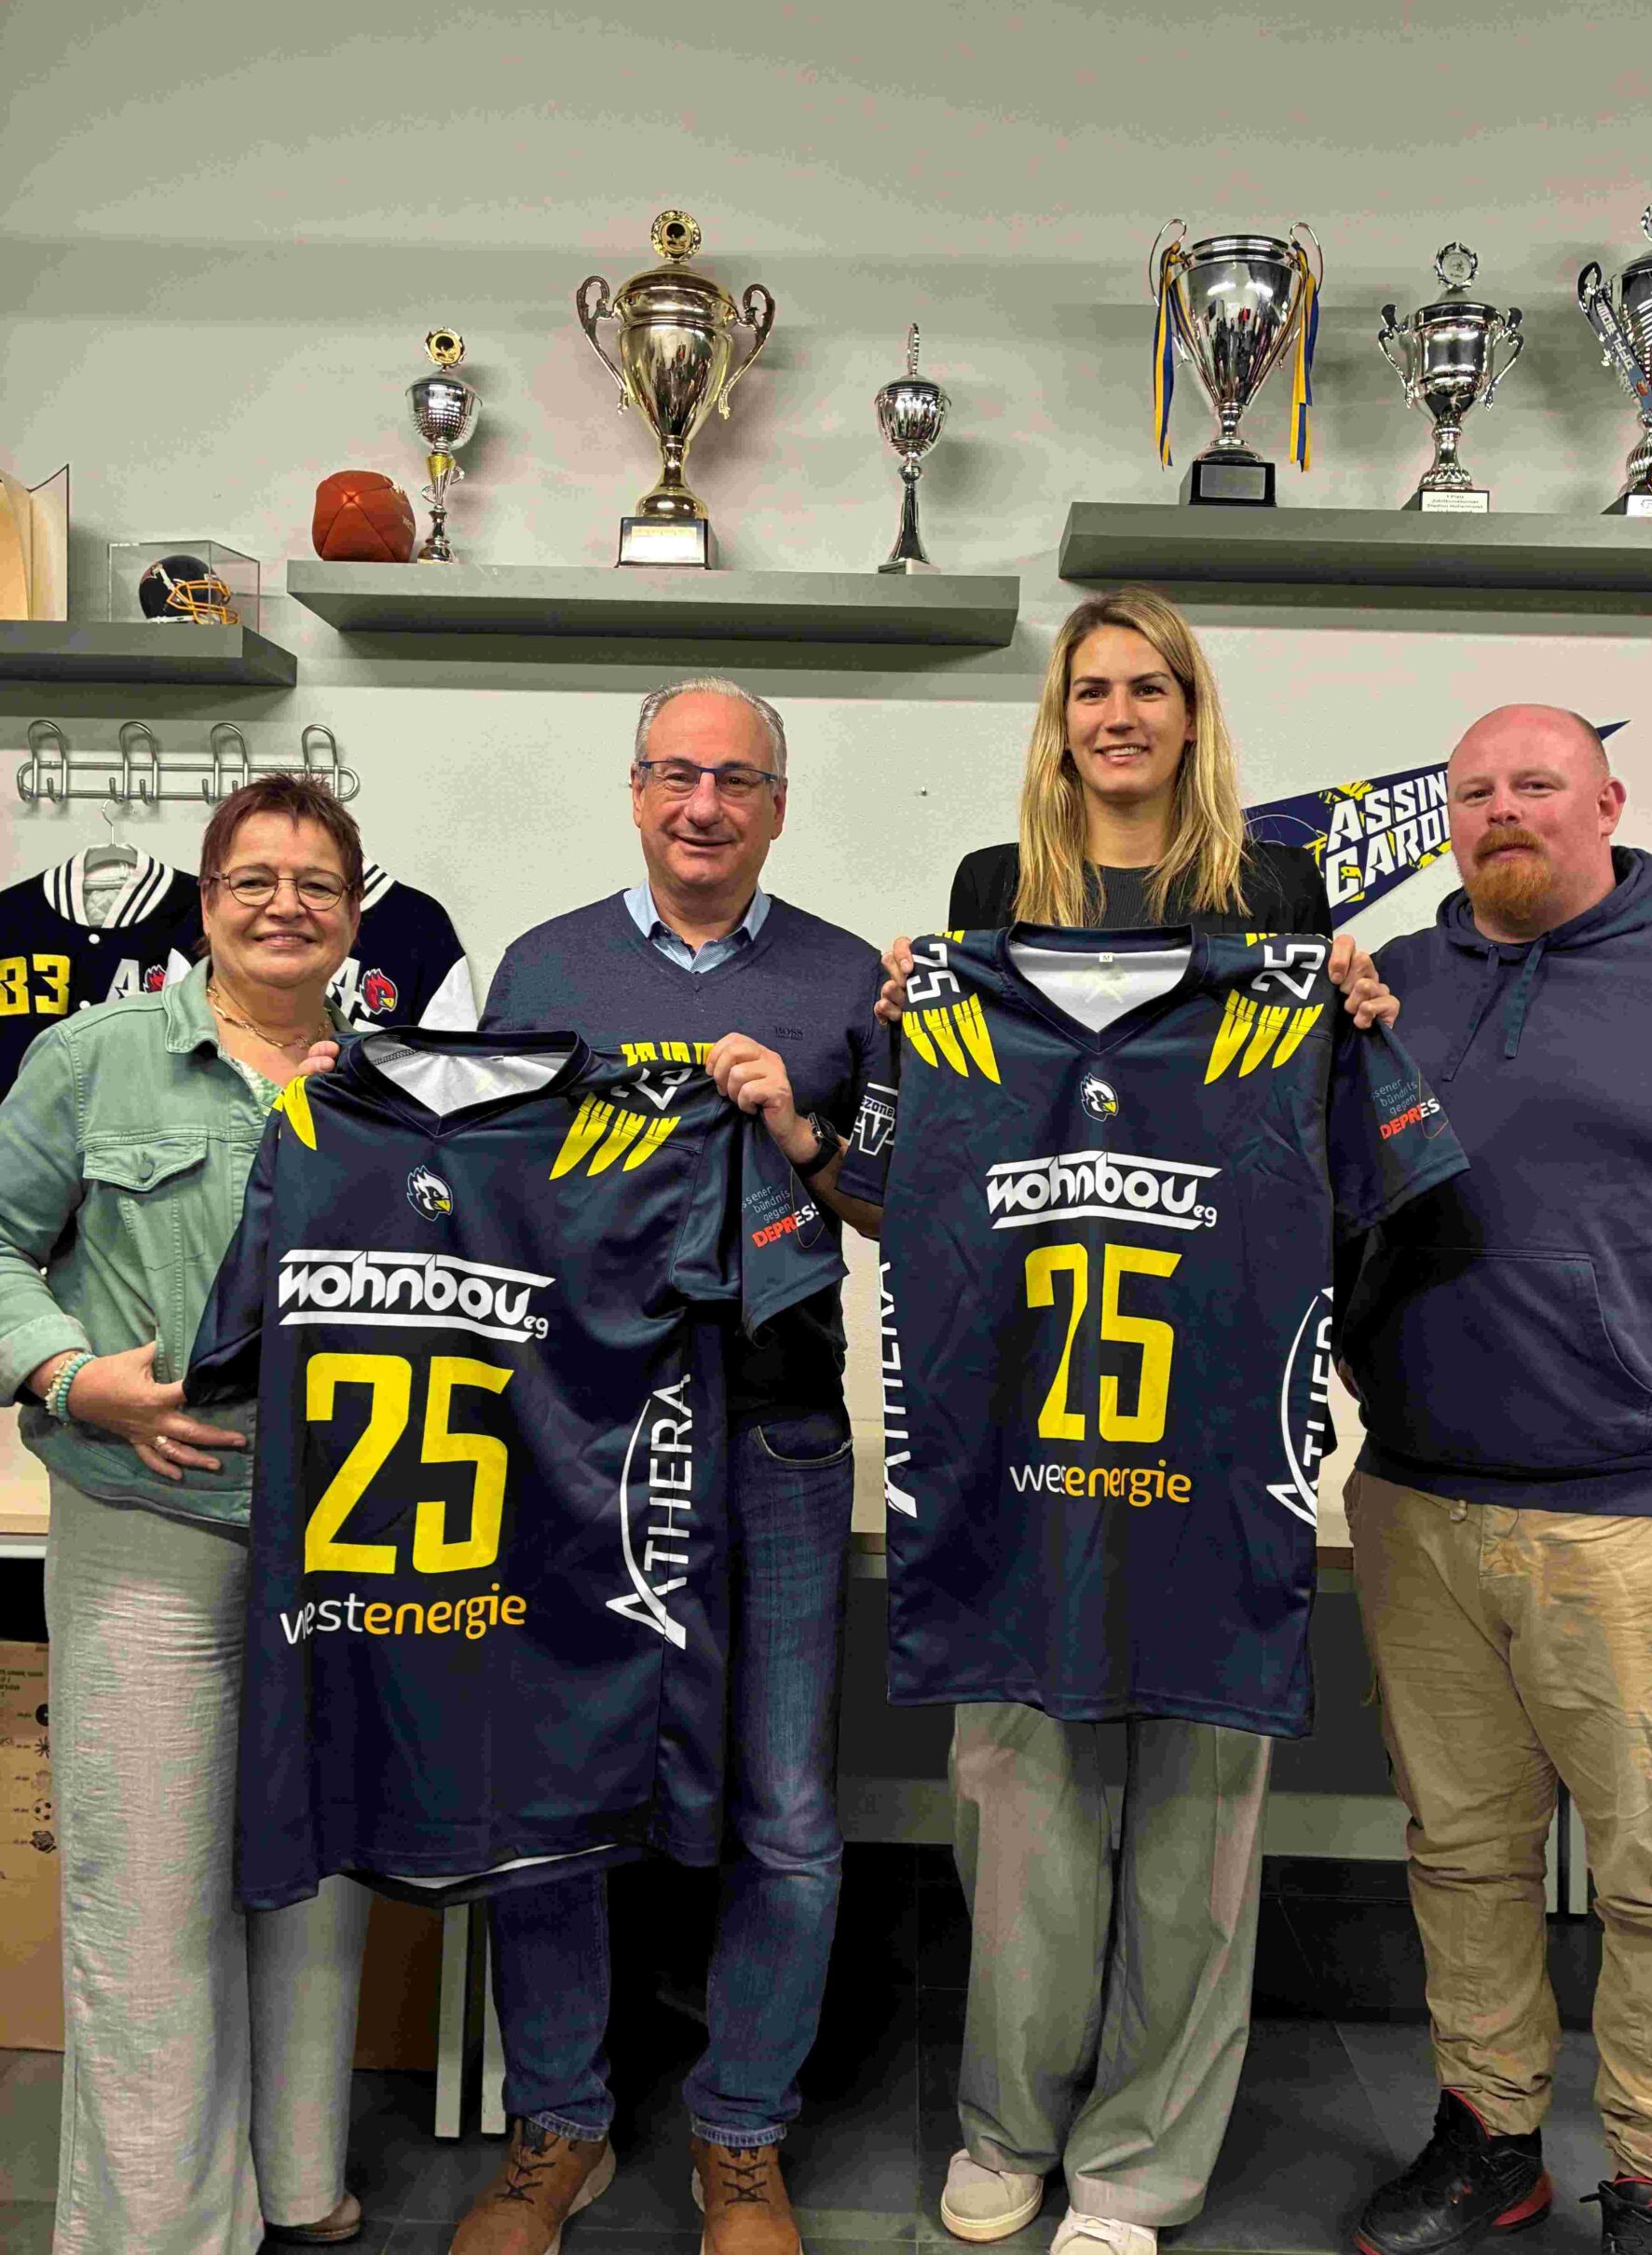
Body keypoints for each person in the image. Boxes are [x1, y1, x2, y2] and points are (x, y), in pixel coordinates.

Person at [878, 588, 1397, 2255]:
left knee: (1198, 1815)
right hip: (1022, 1443)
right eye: (1091, 689)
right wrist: (904, 1031)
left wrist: (1354, 1009)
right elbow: (926, 1177)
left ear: (1191, 712)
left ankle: (1142, 2162)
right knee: (1016, 1799)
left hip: (1209, 1433)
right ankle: (1006, 2123)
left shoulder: (1275, 899)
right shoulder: (990, 895)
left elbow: (1329, 1168)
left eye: (1148, 688)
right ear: (1061, 718)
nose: (1118, 716)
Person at [1341, 705, 1652, 2255]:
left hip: (1648, 1519)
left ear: (1608, 799)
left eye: (1537, 784)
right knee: (1462, 1859)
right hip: (1420, 1504)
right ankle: (1491, 2140)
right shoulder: (1393, 984)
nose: (1503, 811)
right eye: (1473, 792)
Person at [449, 676, 884, 2255]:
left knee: (787, 1808)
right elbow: (479, 1193)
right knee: (558, 1786)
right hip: (579, 1440)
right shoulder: (540, 968)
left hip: (777, 1434)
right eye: (677, 775)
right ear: (635, 791)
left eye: (737, 781)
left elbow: (904, 1202)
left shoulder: (849, 979)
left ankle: (741, 2137)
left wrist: (803, 1136)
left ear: (779, 806)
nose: (706, 806)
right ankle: (558, 2125)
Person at [0, 774, 374, 2255]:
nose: (286, 905)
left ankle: (299, 2183)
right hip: (149, 1526)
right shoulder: (94, 1061)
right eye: (253, 879)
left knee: (315, 1881)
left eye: (317, 882)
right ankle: (161, 2233)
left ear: (354, 913)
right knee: (152, 1905)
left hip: (342, 1540)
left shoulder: (392, 1080)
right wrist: (68, 1374)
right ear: (206, 902)